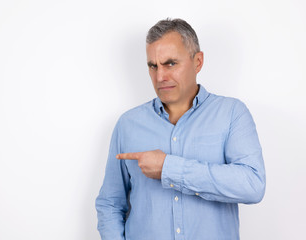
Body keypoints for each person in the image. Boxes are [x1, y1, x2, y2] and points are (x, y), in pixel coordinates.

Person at [95, 18, 266, 240]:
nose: (160, 77)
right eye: (153, 66)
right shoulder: (128, 124)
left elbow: (252, 185)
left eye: (170, 63)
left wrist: (169, 168)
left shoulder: (231, 114)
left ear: (198, 62)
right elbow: (109, 203)